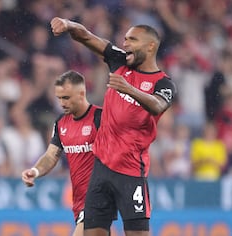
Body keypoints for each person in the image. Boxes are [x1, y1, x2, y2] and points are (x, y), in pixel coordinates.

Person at [50, 17, 177, 236]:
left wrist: (130, 89)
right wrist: (69, 24)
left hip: (130, 172)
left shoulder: (163, 83)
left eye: (132, 39)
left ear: (150, 46)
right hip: (100, 169)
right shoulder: (119, 62)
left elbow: (157, 106)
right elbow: (87, 36)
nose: (125, 43)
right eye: (125, 39)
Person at [21, 70, 102, 236]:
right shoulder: (61, 123)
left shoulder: (100, 118)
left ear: (81, 94)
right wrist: (35, 171)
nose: (62, 103)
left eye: (66, 98)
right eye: (59, 98)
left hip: (99, 198)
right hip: (79, 202)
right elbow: (51, 156)